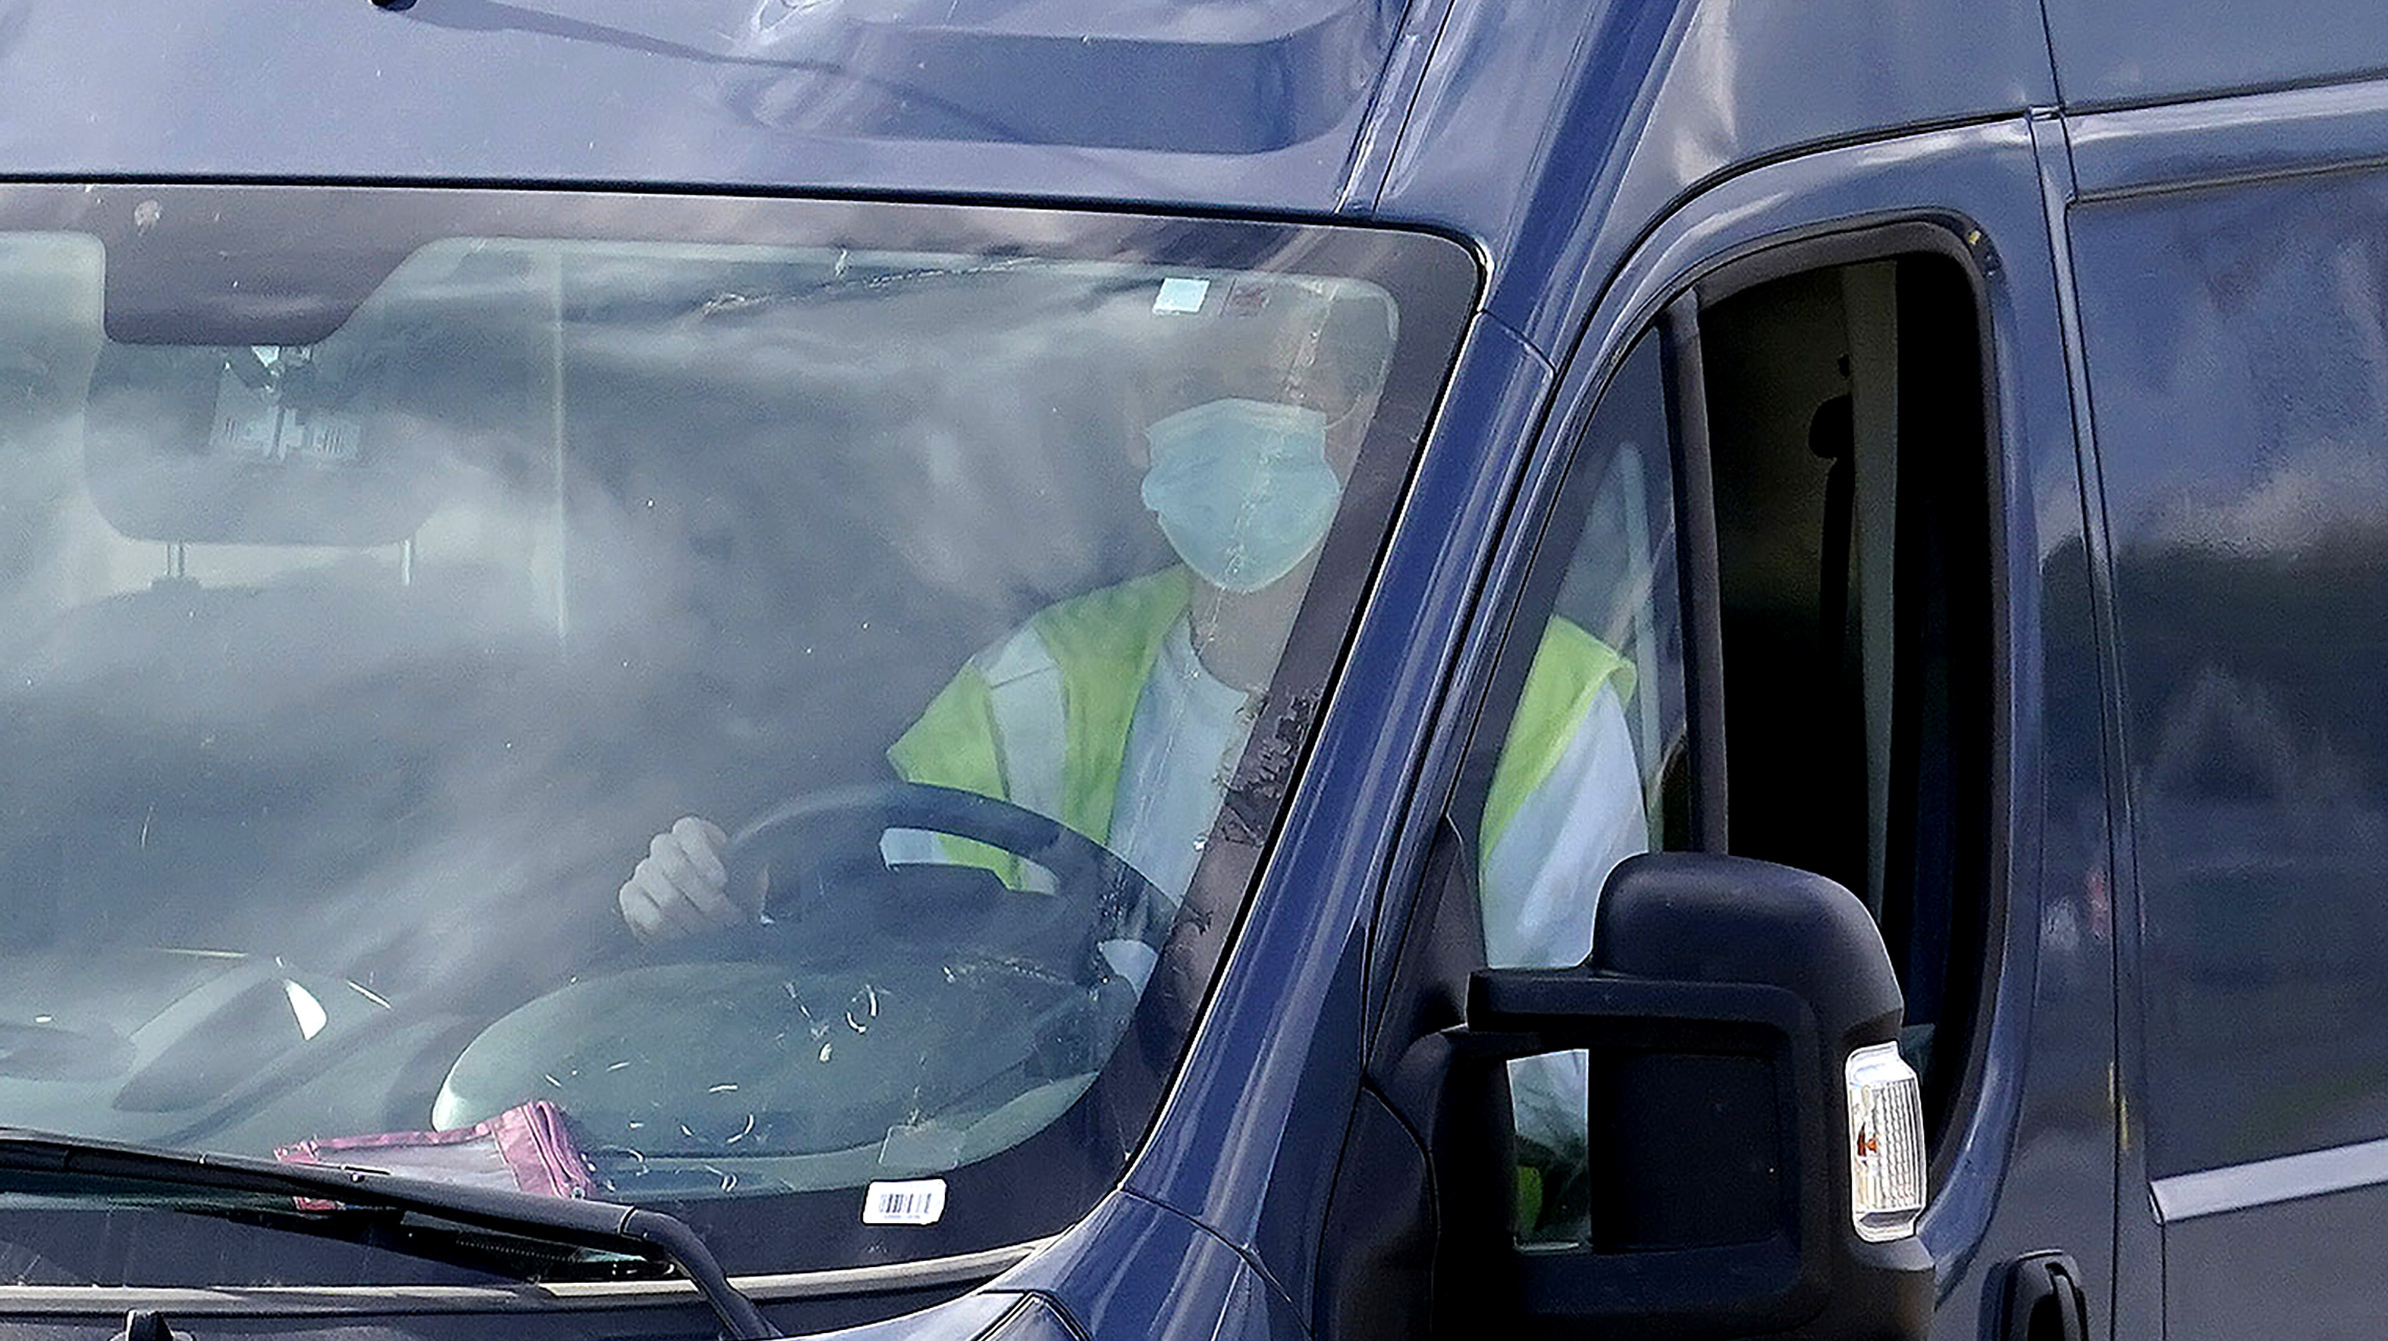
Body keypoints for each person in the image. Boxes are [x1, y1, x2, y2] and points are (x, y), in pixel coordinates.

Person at [618, 287, 1653, 990]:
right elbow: (895, 979)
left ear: (1357, 417)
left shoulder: (1530, 701)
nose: (1227, 419)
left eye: (1275, 386)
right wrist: (733, 943)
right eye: (1186, 388)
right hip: (1039, 1217)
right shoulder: (1032, 682)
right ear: (1134, 429)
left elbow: (1564, 1098)